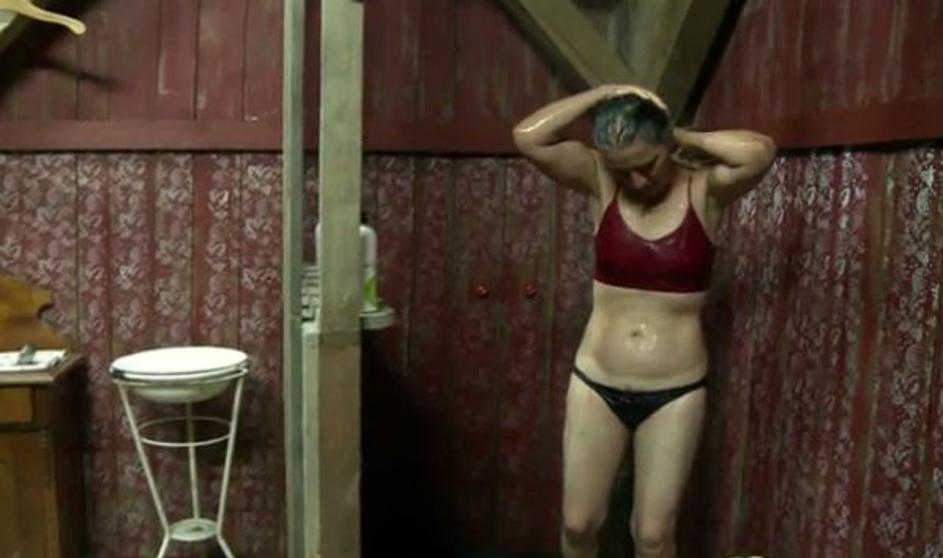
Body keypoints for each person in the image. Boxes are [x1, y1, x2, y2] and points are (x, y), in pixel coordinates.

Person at [512, 84, 776, 558]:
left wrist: (679, 135)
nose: (635, 181)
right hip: (597, 382)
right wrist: (604, 93)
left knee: (653, 536)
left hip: (675, 391)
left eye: (646, 165)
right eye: (623, 170)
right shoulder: (600, 180)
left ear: (666, 146)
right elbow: (529, 137)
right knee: (578, 523)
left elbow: (759, 153)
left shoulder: (706, 190)